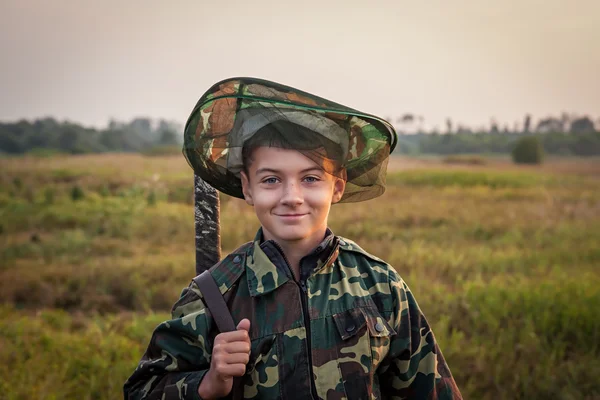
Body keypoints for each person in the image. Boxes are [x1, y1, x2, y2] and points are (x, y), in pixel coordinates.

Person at [123, 77, 462, 400]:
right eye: (271, 180)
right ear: (247, 188)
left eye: (311, 178)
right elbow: (141, 390)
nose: (292, 196)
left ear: (338, 186)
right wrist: (209, 382)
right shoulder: (215, 294)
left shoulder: (380, 286)